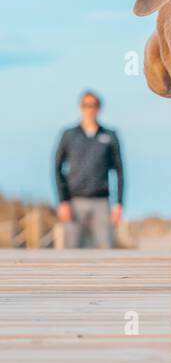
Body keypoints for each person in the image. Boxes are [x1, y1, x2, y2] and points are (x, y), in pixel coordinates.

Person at [54, 91, 124, 248]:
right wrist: (62, 201)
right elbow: (57, 168)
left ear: (99, 108)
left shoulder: (109, 135)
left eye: (93, 105)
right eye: (86, 105)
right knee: (71, 251)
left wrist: (119, 203)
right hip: (74, 203)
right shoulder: (69, 135)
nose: (90, 109)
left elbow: (120, 171)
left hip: (102, 202)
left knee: (107, 250)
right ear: (80, 107)